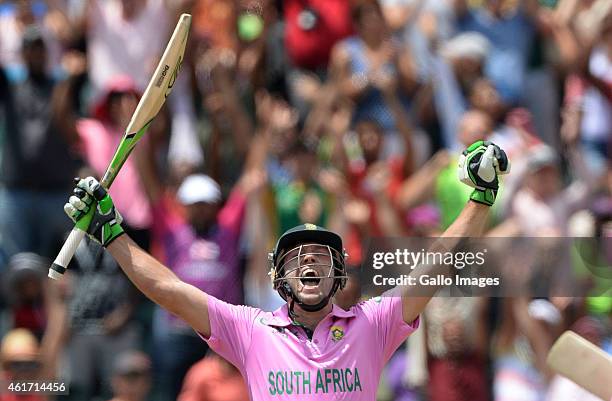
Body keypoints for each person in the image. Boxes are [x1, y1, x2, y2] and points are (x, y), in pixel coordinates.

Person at [61, 140, 509, 400]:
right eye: (298, 256)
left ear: (338, 275)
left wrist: (480, 198)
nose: (310, 260)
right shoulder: (250, 329)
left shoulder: (373, 322)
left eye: (320, 254)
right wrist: (112, 233)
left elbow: (436, 265)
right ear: (279, 279)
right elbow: (169, 289)